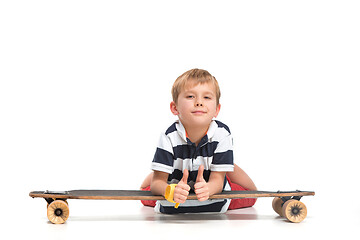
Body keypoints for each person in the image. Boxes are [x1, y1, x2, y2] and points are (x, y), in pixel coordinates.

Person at [140, 68, 257, 213]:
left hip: (216, 202)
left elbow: (218, 182)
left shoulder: (222, 134)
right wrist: (170, 190)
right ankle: (166, 167)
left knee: (251, 194)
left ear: (216, 110)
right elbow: (157, 184)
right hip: (174, 201)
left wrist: (209, 188)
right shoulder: (169, 136)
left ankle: (222, 164)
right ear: (174, 107)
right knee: (145, 192)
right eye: (190, 96)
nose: (199, 102)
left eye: (207, 98)